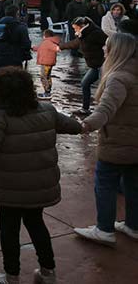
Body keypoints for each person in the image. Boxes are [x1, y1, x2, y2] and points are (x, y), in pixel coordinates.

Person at [0, 67, 82, 284]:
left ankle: (11, 276)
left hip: (8, 187)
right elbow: (73, 126)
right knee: (36, 224)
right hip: (38, 186)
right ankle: (48, 272)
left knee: (9, 230)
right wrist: (86, 125)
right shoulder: (47, 111)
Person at [75, 33, 138, 246]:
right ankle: (133, 225)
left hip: (117, 144)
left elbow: (106, 109)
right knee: (133, 185)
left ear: (116, 50)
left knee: (105, 184)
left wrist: (85, 125)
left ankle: (104, 229)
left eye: (107, 46)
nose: (103, 49)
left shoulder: (119, 77)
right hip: (134, 145)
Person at [59, 17, 108, 115]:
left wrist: (107, 56)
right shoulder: (84, 34)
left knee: (103, 88)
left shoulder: (94, 33)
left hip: (103, 64)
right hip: (95, 65)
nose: (74, 30)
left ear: (82, 26)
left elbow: (108, 42)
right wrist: (60, 47)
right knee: (85, 83)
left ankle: (104, 111)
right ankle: (86, 108)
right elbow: (75, 43)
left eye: (75, 28)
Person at [0, 5, 31, 71]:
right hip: (16, 59)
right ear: (16, 14)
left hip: (0, 59)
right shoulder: (21, 27)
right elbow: (26, 44)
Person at [32, 30, 61, 100]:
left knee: (44, 77)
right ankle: (47, 91)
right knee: (47, 76)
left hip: (46, 63)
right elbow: (40, 48)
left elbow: (56, 48)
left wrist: (58, 48)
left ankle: (47, 92)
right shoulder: (48, 42)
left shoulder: (47, 42)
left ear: (45, 36)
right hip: (48, 63)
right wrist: (33, 48)